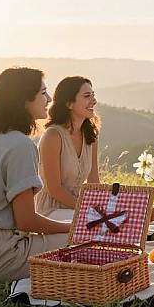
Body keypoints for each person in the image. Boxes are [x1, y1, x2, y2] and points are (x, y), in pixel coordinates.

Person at [0, 67, 71, 282]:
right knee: (83, 239)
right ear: (24, 100)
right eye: (43, 92)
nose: (49, 98)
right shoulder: (21, 145)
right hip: (0, 257)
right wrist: (70, 228)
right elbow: (27, 221)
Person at [35, 76, 100, 221]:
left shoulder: (91, 136)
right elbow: (54, 189)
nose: (93, 101)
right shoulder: (53, 136)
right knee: (95, 224)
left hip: (78, 208)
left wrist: (101, 209)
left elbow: (94, 181)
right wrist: (87, 210)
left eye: (93, 95)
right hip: (50, 211)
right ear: (69, 103)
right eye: (87, 96)